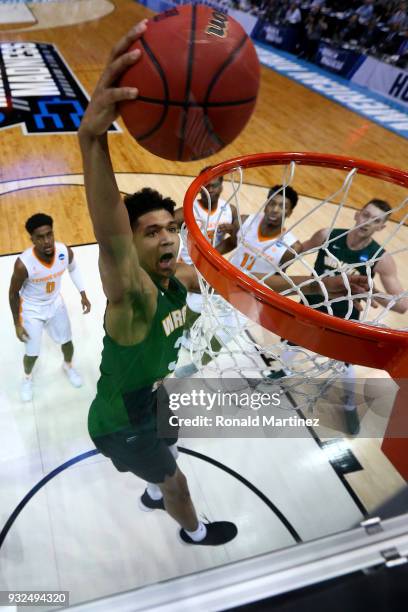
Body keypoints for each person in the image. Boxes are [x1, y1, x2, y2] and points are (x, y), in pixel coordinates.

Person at [77, 21, 369, 545]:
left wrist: (324, 283)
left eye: (171, 229)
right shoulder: (133, 297)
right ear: (132, 241)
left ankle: (151, 482)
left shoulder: (178, 278)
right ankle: (192, 530)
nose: (167, 240)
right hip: (121, 422)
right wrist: (91, 138)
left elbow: (249, 277)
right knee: (178, 484)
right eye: (151, 233)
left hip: (149, 395)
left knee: (174, 426)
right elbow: (110, 234)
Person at [285, 199, 408, 434]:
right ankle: (282, 371)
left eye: (377, 220)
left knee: (344, 365)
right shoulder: (327, 235)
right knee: (291, 340)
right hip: (310, 305)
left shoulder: (380, 258)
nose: (368, 221)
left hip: (343, 317)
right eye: (366, 214)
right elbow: (299, 249)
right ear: (356, 214)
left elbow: (402, 305)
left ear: (382, 227)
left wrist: (372, 292)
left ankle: (349, 404)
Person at [9, 213, 91, 402]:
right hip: (31, 309)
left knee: (67, 342)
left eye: (49, 234)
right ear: (32, 239)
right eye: (40, 237)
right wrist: (17, 323)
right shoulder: (23, 264)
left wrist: (83, 294)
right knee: (32, 352)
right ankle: (27, 379)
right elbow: (13, 293)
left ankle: (68, 366)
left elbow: (74, 268)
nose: (47, 241)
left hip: (55, 303)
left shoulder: (64, 251)